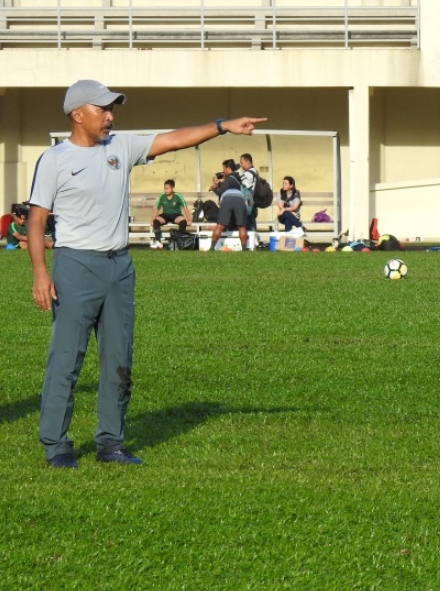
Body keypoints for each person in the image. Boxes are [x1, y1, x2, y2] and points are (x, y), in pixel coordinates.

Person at [28, 78, 265, 468]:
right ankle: (57, 446)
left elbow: (174, 139)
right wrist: (40, 273)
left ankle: (111, 443)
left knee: (119, 359)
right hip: (74, 266)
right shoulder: (54, 159)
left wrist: (222, 126)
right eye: (102, 109)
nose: (110, 116)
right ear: (77, 114)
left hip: (119, 267)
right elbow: (37, 220)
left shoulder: (120, 145)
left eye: (111, 108)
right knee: (66, 359)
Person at [208, 159, 251, 251]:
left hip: (227, 199)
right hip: (239, 199)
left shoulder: (229, 179)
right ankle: (244, 249)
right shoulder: (238, 177)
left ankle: (212, 248)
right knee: (241, 226)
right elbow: (229, 185)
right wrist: (219, 182)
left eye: (224, 169)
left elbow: (221, 192)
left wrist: (214, 188)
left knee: (220, 226)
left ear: (228, 168)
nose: (223, 171)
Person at [150, 179, 192, 249]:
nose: (166, 190)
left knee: (183, 221)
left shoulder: (178, 196)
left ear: (172, 188)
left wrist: (189, 219)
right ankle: (158, 241)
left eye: (167, 188)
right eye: (165, 188)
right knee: (156, 221)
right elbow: (157, 208)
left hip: (176, 215)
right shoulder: (162, 196)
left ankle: (179, 241)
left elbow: (185, 207)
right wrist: (152, 219)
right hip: (166, 215)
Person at [239, 153, 258, 234]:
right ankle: (253, 239)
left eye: (242, 163)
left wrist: (238, 172)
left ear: (247, 161)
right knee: (250, 219)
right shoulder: (253, 172)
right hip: (250, 199)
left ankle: (252, 238)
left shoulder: (249, 173)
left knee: (249, 218)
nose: (241, 165)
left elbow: (244, 183)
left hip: (248, 199)